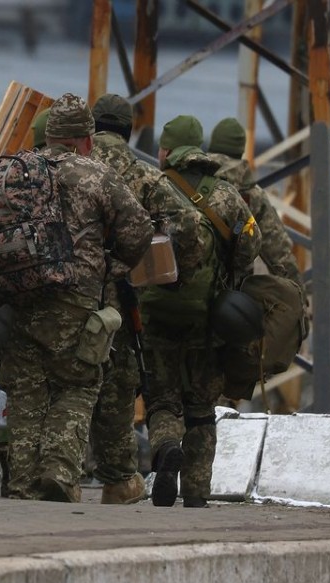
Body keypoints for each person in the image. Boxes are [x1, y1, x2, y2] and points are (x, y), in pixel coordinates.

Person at [0, 93, 153, 503]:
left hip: (18, 295)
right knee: (77, 383)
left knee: (26, 392)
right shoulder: (95, 174)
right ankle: (59, 472)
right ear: (86, 140)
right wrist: (113, 266)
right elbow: (139, 231)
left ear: (48, 136)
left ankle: (23, 481)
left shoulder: (15, 171)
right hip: (74, 299)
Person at [87, 94, 210, 504]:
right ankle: (118, 479)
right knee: (119, 386)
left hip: (62, 289)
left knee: (64, 383)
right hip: (120, 296)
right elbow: (189, 226)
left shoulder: (64, 165)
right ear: (129, 130)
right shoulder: (140, 174)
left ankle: (52, 473)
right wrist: (168, 274)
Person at [142, 115, 261, 508]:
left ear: (167, 151)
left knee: (161, 398)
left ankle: (165, 448)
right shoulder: (227, 195)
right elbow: (250, 245)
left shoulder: (150, 187)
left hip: (158, 313)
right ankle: (196, 491)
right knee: (200, 408)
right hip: (207, 319)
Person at [206, 117, 302, 286]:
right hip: (231, 298)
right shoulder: (252, 195)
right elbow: (278, 253)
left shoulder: (191, 178)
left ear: (212, 146)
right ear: (240, 151)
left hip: (182, 293)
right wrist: (298, 295)